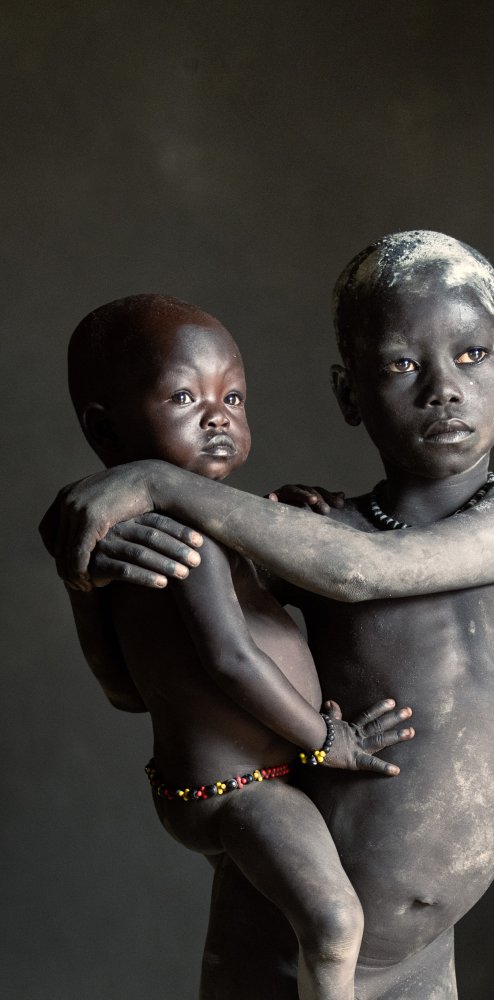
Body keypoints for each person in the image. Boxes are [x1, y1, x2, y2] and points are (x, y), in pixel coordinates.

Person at [43, 232, 494, 999]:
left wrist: (157, 481)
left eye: (472, 355)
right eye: (400, 364)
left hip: (420, 955)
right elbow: (159, 674)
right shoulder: (304, 531)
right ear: (347, 395)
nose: (443, 388)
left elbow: (361, 572)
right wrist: (88, 557)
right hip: (282, 932)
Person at [60, 293, 415, 1000]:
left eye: (233, 395)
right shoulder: (183, 538)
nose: (216, 415)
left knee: (263, 938)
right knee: (335, 922)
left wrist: (284, 530)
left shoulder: (135, 545)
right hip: (247, 789)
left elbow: (123, 691)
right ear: (106, 431)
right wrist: (324, 738)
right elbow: (230, 657)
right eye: (184, 396)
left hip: (194, 785)